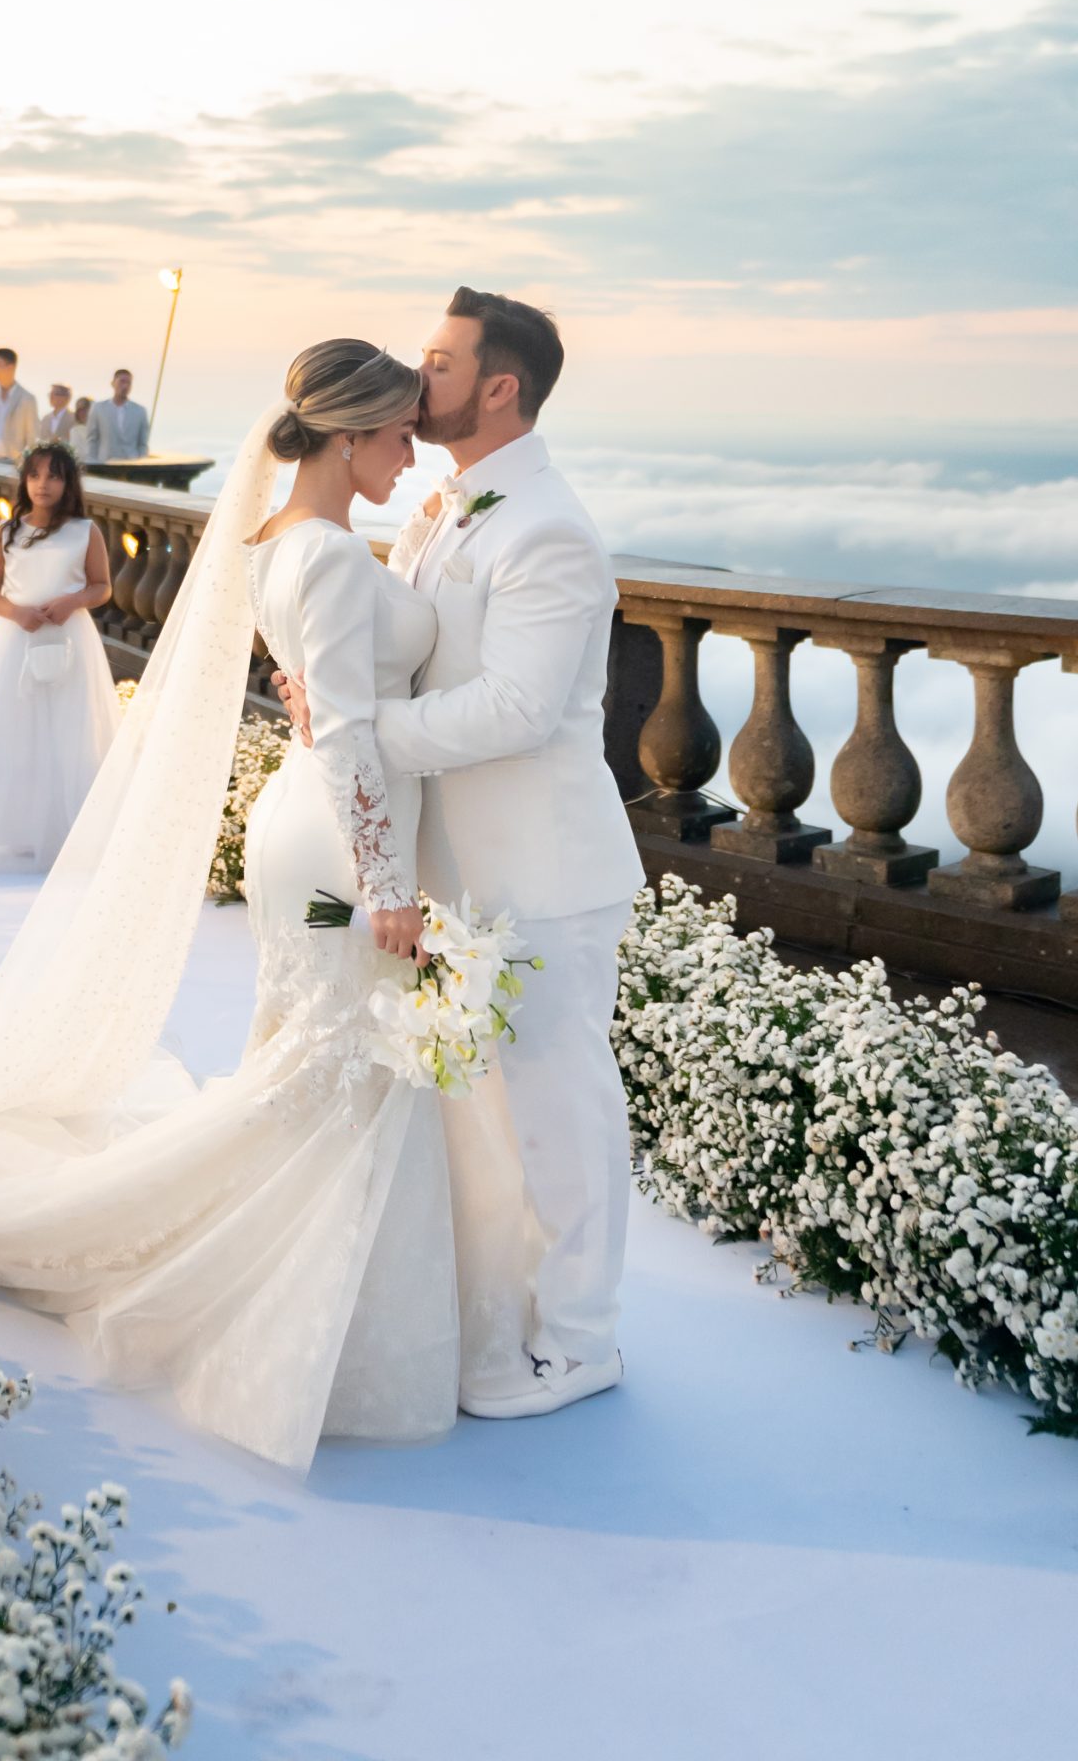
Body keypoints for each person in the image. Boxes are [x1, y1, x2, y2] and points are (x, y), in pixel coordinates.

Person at [0, 340, 533, 1474]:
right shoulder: (334, 558)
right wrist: (389, 891)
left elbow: (320, 694)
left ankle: (336, 1307)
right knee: (343, 1071)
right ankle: (315, 1326)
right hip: (345, 846)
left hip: (316, 823)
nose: (409, 451)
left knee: (323, 1069)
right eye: (395, 435)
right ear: (345, 436)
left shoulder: (279, 543)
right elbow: (343, 729)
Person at [281, 288, 643, 1419]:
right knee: (484, 1114)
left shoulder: (548, 531)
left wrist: (356, 729)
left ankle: (582, 1338)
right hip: (457, 869)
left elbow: (518, 708)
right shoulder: (445, 502)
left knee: (559, 1108)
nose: (413, 375)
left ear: (499, 386)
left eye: (436, 362)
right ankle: (507, 1313)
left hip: (541, 868)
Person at [0, 442, 118, 870]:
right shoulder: (7, 532)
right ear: (24, 481)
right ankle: (17, 827)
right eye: (35, 475)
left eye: (54, 476)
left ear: (68, 482)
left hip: (68, 638)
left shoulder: (84, 530)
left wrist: (71, 602)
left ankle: (65, 830)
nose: (43, 484)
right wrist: (17, 613)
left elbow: (102, 585)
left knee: (67, 732)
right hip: (16, 641)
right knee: (15, 730)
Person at [84, 368, 150, 464]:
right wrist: (92, 462)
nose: (125, 386)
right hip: (105, 464)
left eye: (129, 383)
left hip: (131, 465)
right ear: (113, 383)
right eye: (122, 382)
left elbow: (143, 443)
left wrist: (141, 462)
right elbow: (92, 439)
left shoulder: (140, 411)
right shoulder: (98, 408)